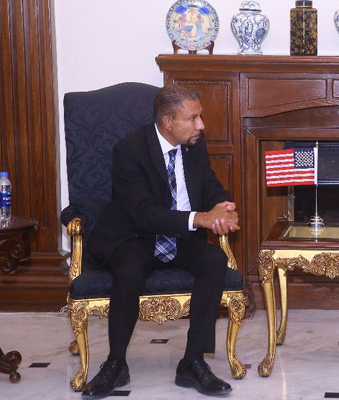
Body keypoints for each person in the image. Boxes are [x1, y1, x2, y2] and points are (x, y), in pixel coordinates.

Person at [82, 85, 240, 399]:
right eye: (192, 118)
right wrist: (200, 219)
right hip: (135, 235)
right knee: (128, 271)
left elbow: (208, 184)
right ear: (168, 121)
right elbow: (143, 214)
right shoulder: (130, 151)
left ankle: (193, 362)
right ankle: (115, 364)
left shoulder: (194, 144)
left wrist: (222, 206)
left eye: (200, 117)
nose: (201, 126)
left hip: (180, 237)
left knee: (214, 261)